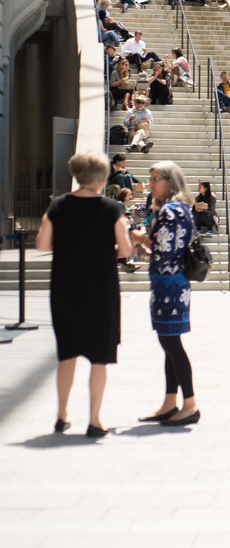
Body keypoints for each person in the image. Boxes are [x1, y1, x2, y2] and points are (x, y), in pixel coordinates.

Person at [35, 151, 133, 437]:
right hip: (101, 290)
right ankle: (94, 420)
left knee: (67, 355)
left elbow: (42, 243)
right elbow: (125, 250)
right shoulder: (112, 208)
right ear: (102, 178)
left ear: (76, 176)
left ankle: (61, 415)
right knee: (99, 358)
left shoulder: (57, 205)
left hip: (65, 289)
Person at [131, 161, 201, 427]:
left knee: (172, 345)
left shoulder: (170, 211)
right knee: (169, 344)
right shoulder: (180, 208)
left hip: (168, 284)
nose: (150, 184)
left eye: (155, 179)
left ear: (169, 182)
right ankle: (170, 402)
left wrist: (140, 238)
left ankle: (190, 404)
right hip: (174, 282)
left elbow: (163, 249)